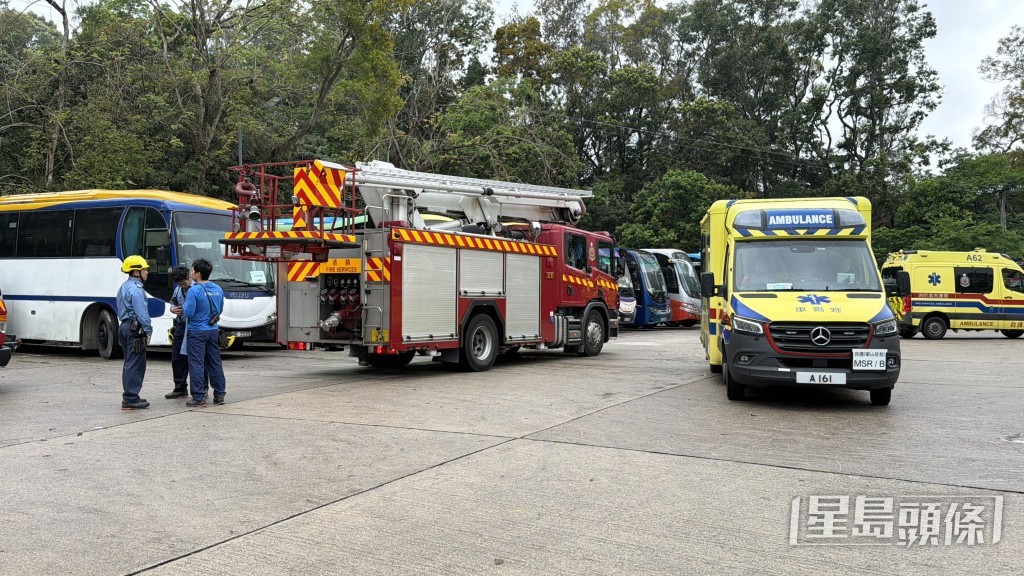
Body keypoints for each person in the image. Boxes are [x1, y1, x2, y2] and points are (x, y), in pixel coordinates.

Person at [182, 258, 227, 406]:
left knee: (196, 363)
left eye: (193, 270)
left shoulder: (193, 291)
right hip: (213, 330)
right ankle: (219, 393)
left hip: (196, 331)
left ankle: (198, 396)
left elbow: (188, 313)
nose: (191, 272)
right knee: (214, 362)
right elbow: (219, 310)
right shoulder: (218, 289)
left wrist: (181, 308)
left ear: (198, 274)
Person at [117, 255, 153, 410]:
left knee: (129, 362)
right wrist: (148, 330)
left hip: (125, 327)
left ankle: (130, 396)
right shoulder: (136, 290)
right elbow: (142, 313)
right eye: (144, 269)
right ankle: (131, 398)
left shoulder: (123, 287)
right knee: (136, 364)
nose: (147, 272)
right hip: (135, 330)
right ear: (136, 272)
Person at [165, 266, 192, 399]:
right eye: (180, 284)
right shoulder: (178, 290)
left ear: (189, 277)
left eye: (184, 283)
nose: (182, 286)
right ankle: (180, 387)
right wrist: (172, 309)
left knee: (195, 360)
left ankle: (201, 389)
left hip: (193, 327)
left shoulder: (197, 289)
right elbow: (172, 302)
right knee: (177, 358)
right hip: (180, 326)